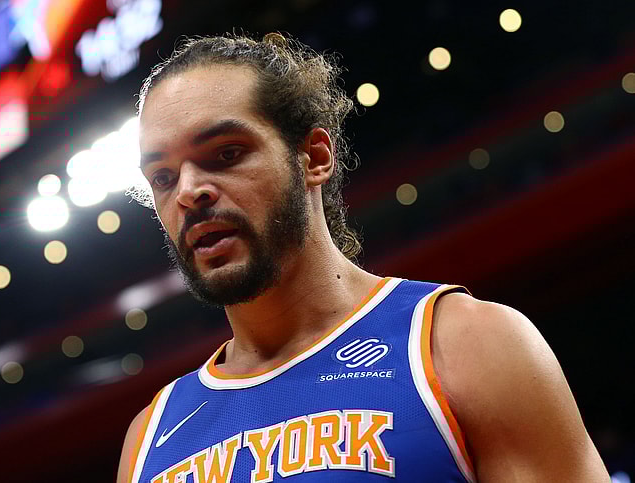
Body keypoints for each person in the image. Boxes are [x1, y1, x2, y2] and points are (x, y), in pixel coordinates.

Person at [117, 32, 608, 482]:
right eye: (162, 177)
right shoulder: (149, 440)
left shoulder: (465, 345)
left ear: (313, 157)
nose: (189, 192)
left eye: (225, 154)